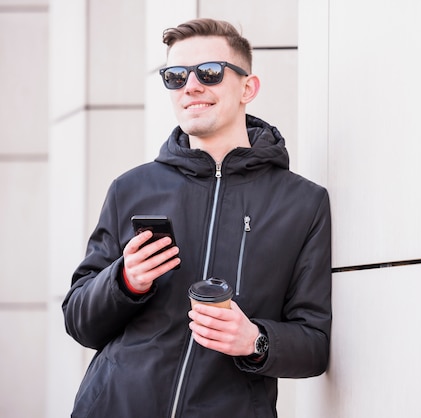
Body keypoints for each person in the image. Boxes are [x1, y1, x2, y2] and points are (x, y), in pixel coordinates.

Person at [62, 17, 332, 418]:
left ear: (248, 87)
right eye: (175, 76)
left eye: (209, 72)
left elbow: (314, 344)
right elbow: (79, 320)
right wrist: (124, 281)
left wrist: (256, 341)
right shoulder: (131, 188)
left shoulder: (302, 203)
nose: (191, 86)